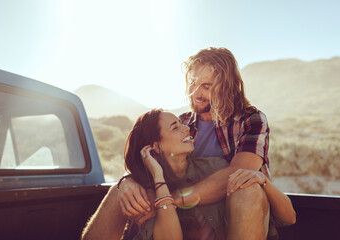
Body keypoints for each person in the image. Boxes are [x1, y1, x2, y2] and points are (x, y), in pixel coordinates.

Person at [82, 47, 296, 239]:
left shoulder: (251, 119)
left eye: (206, 86)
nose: (196, 93)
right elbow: (145, 158)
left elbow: (239, 174)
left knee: (245, 189)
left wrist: (170, 199)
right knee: (122, 193)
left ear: (227, 87)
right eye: (193, 83)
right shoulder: (183, 123)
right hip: (188, 217)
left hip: (234, 214)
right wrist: (127, 183)